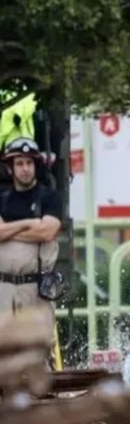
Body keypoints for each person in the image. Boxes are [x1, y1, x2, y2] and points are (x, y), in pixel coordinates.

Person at [0, 137, 63, 344]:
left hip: (35, 288)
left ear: (36, 166)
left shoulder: (49, 197)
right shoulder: (2, 199)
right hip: (4, 288)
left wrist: (9, 229)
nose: (25, 169)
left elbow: (47, 232)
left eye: (29, 163)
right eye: (19, 163)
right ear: (10, 168)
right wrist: (30, 223)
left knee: (36, 351)